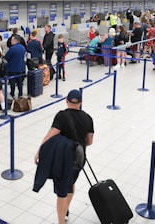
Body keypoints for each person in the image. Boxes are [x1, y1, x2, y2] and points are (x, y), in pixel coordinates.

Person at [33, 89, 94, 224]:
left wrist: (39, 151)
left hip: (62, 159)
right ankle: (66, 209)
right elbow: (89, 141)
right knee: (70, 183)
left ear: (66, 101)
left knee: (61, 191)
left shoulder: (61, 116)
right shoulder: (88, 118)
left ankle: (61, 221)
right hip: (78, 159)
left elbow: (50, 135)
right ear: (81, 102)